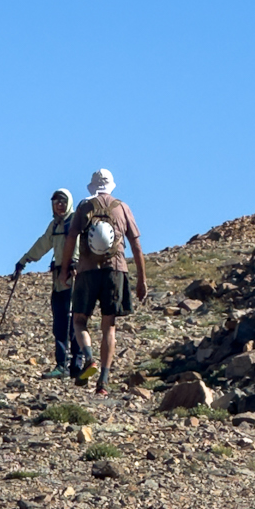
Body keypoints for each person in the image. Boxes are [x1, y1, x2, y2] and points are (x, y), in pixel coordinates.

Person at [65, 167, 147, 393]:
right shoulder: (122, 207)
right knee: (109, 325)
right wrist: (141, 279)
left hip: (87, 271)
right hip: (116, 271)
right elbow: (136, 246)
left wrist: (64, 269)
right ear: (111, 186)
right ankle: (103, 380)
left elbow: (71, 238)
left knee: (79, 320)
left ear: (92, 186)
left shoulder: (83, 207)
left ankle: (88, 357)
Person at [14, 187, 78, 376]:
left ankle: (75, 363)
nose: (59, 205)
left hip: (73, 278)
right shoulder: (55, 226)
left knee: (73, 320)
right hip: (59, 278)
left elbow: (80, 243)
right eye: (56, 201)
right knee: (60, 320)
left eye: (63, 201)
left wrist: (74, 263)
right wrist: (24, 260)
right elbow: (43, 244)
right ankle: (63, 364)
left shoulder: (76, 222)